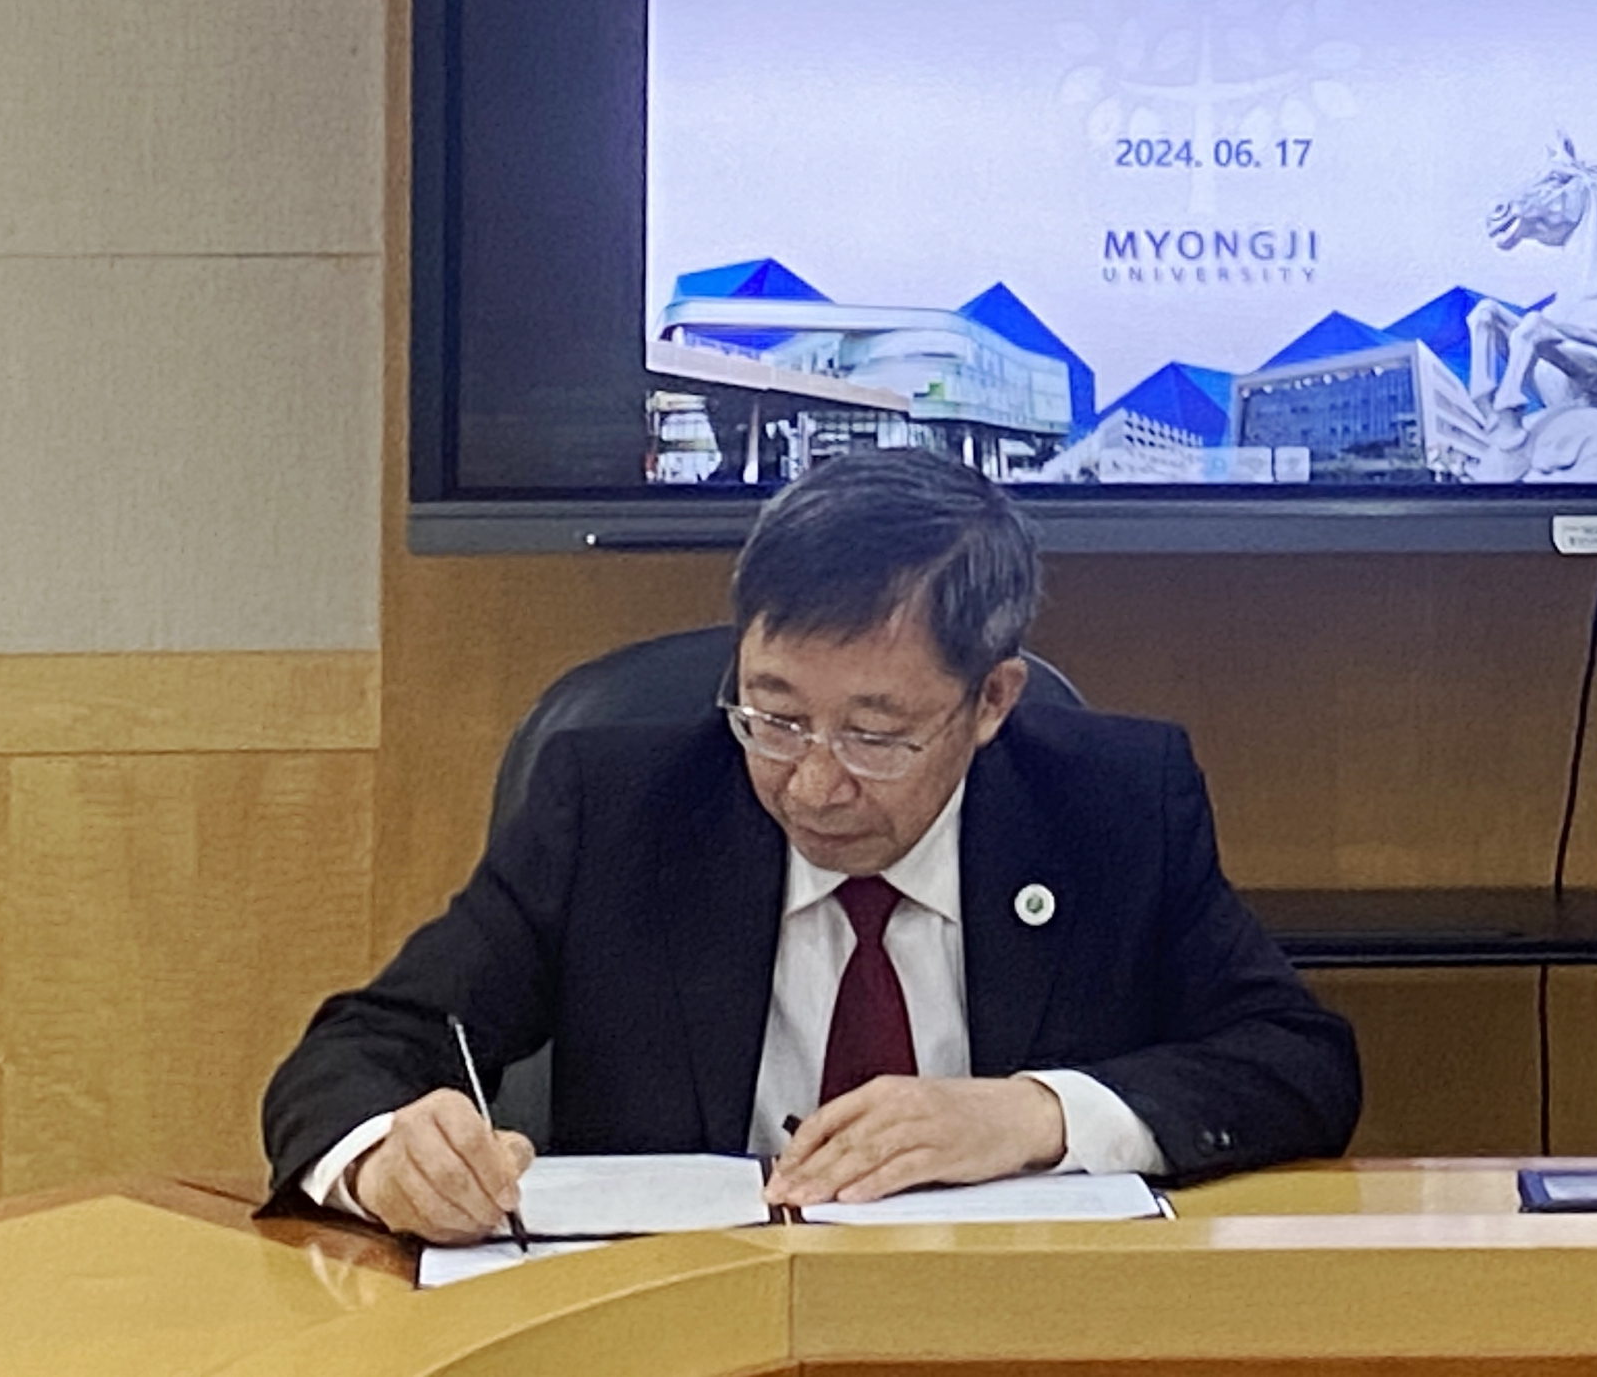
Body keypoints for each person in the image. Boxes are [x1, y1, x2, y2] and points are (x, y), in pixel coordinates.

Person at [263, 448, 1361, 1242]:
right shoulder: (619, 809)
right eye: (774, 714)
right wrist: (387, 1158)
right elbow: (359, 1047)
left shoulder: (1112, 805)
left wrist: (1033, 1113)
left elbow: (1298, 1062)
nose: (813, 781)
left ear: (992, 701)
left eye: (876, 735)